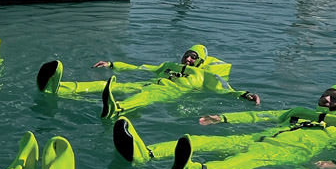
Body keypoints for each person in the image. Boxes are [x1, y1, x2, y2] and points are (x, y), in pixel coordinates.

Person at [111, 84, 336, 169]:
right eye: (326, 95)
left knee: (241, 162)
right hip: (258, 138)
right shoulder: (300, 111)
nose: (327, 101)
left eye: (335, 99)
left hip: (287, 152)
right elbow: (260, 116)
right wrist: (221, 117)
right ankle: (145, 153)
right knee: (197, 141)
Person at [37, 44, 261, 119]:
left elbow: (224, 89)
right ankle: (59, 87)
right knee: (116, 86)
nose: (188, 58)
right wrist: (112, 64)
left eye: (193, 57)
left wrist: (244, 94)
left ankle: (118, 108)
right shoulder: (168, 66)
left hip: (166, 93)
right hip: (151, 83)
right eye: (186, 54)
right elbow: (141, 67)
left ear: (200, 61)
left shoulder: (205, 76)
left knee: (144, 98)